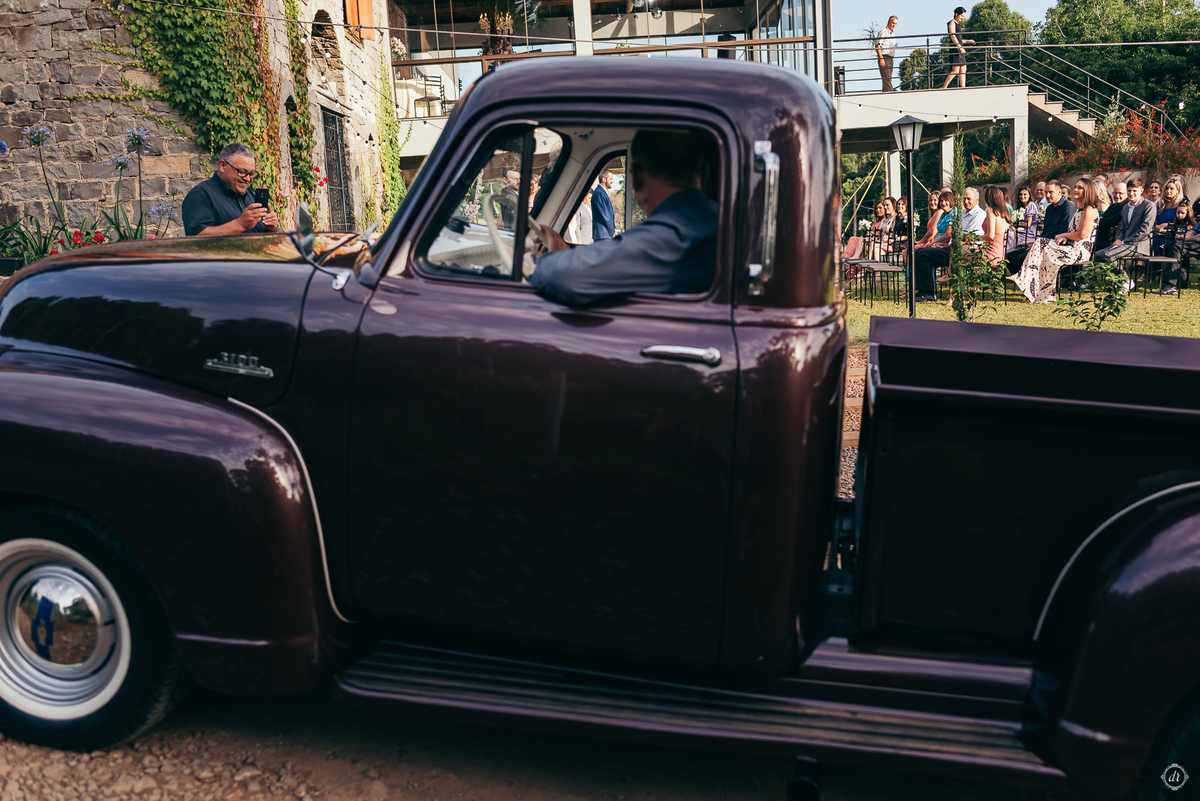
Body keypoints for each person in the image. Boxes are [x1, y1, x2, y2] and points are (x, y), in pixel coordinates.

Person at [530, 130, 717, 306]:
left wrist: (541, 261)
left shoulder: (674, 235)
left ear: (635, 176)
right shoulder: (713, 221)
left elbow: (565, 276)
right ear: (705, 172)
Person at [1010, 179, 1098, 303]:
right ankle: (1039, 295)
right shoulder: (1079, 209)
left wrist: (1064, 235)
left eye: (1080, 187)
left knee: (1041, 245)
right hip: (1070, 247)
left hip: (1079, 251)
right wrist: (1065, 236)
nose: (1076, 189)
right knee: (1043, 254)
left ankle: (1023, 278)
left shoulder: (1089, 209)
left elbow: (1082, 235)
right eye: (1076, 186)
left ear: (1088, 190)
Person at [182, 143, 280, 236]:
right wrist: (239, 224)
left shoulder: (249, 194)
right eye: (242, 172)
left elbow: (278, 236)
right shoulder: (200, 195)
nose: (248, 179)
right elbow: (196, 237)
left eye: (251, 173)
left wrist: (274, 228)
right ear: (223, 166)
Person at [913, 186, 984, 300]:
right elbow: (956, 236)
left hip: (965, 252)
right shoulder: (963, 214)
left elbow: (967, 238)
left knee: (923, 253)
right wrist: (942, 245)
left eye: (968, 199)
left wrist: (944, 244)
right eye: (964, 199)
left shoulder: (979, 214)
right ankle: (923, 290)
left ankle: (928, 293)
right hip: (952, 248)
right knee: (920, 252)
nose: (966, 202)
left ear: (977, 199)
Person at [1094, 178, 1156, 291]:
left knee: (1108, 255)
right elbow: (1122, 229)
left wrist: (1123, 241)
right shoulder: (1126, 207)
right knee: (1098, 254)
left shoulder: (1149, 206)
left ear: (1141, 191)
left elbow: (1144, 231)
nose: (1131, 193)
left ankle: (1126, 281)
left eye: (1134, 191)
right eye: (1129, 190)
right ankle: (1117, 281)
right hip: (1125, 243)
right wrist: (1119, 240)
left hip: (1140, 245)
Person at [1006, 179, 1075, 274]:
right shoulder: (1050, 208)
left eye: (1051, 192)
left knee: (1020, 258)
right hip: (1043, 243)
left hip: (1056, 246)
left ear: (1059, 192)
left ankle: (1029, 281)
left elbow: (1064, 234)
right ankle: (1021, 281)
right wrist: (1036, 244)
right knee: (1009, 257)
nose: (1047, 195)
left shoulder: (1068, 207)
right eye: (1046, 192)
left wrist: (1040, 244)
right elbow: (1045, 231)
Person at [1163, 202, 1199, 294]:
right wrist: (1184, 236)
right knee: (1169, 246)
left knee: (1177, 248)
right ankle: (1183, 281)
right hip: (1195, 238)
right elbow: (1195, 230)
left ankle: (1171, 285)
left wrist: (1188, 238)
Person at [941, 7, 975, 89]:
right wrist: (960, 48)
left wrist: (968, 41)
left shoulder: (957, 24)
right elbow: (953, 37)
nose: (962, 18)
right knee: (955, 70)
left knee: (963, 68)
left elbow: (959, 39)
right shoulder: (952, 23)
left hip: (959, 48)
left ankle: (963, 87)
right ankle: (944, 87)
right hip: (955, 49)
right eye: (961, 16)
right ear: (956, 14)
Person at [1152, 175, 1185, 255]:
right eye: (1167, 188)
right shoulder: (1160, 204)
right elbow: (1152, 221)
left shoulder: (1182, 205)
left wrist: (1165, 225)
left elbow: (1183, 224)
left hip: (1172, 237)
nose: (1168, 191)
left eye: (1171, 188)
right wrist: (1155, 228)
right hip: (1157, 236)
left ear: (1178, 190)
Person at [981, 185, 1010, 267]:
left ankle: (949, 276)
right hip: (1001, 254)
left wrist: (972, 237)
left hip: (991, 254)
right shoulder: (1004, 212)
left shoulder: (991, 211)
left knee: (960, 247)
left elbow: (990, 236)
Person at [1095, 181, 1127, 251]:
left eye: (1120, 193)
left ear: (1127, 193)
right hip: (1103, 241)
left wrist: (1097, 220)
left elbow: (1111, 221)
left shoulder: (1125, 207)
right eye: (1115, 193)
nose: (1117, 195)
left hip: (1112, 242)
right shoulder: (1114, 205)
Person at [592, 169, 617, 240]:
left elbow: (609, 215)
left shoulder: (602, 193)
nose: (612, 181)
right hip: (602, 235)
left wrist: (614, 229)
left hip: (605, 234)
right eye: (611, 179)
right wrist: (612, 232)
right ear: (604, 179)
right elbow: (605, 216)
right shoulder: (599, 193)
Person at [876, 16, 898, 92]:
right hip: (884, 57)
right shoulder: (884, 31)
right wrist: (881, 59)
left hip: (891, 58)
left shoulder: (893, 33)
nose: (894, 25)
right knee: (887, 80)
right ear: (889, 22)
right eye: (893, 23)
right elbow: (878, 45)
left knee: (887, 80)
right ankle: (892, 94)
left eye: (895, 24)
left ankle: (884, 95)